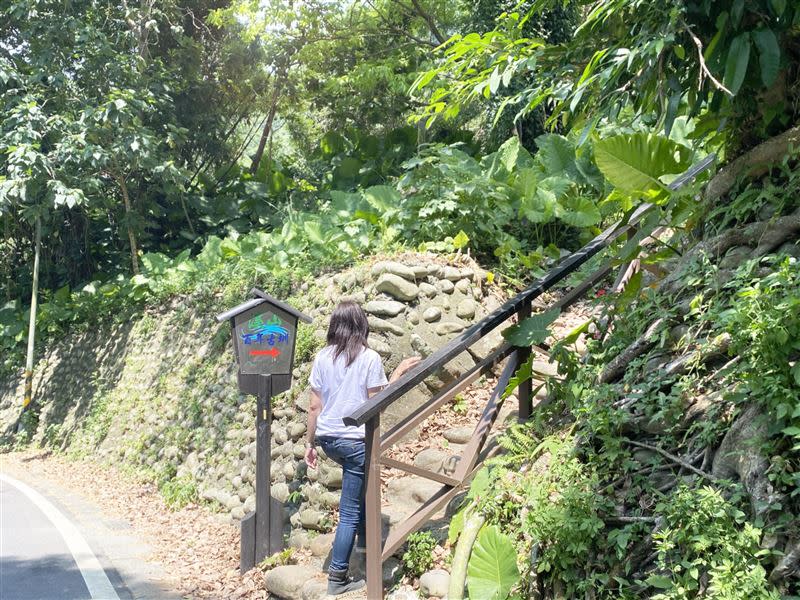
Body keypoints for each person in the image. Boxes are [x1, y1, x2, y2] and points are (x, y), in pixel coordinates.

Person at [304, 301, 420, 596]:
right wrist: (399, 375)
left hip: (329, 440)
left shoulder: (322, 357)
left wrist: (310, 443)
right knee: (350, 511)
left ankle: (368, 549)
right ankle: (338, 576)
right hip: (354, 441)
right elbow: (375, 401)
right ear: (362, 325)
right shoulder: (369, 358)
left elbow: (314, 406)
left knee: (361, 491)